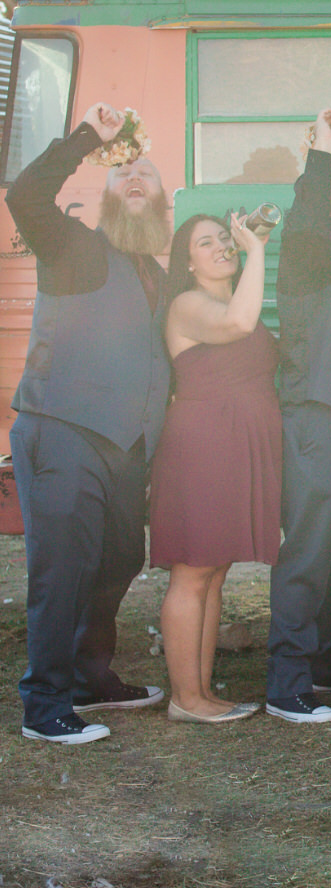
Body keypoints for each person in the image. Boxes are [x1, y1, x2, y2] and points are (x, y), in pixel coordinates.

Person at [8, 103, 172, 745]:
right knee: (63, 569)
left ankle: (85, 674)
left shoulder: (154, 272)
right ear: (103, 194)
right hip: (63, 432)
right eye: (122, 172)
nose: (135, 178)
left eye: (147, 176)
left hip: (126, 451)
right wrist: (88, 139)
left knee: (121, 556)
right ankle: (44, 706)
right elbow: (26, 194)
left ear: (162, 203)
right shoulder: (74, 245)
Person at [152, 213, 281, 724]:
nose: (222, 246)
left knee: (214, 570)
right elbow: (239, 326)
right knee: (193, 569)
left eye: (224, 237)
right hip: (205, 444)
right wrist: (258, 253)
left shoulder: (231, 297)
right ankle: (186, 698)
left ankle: (200, 693)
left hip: (238, 442)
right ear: (187, 261)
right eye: (207, 242)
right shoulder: (189, 304)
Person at [266, 108, 331, 725]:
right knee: (307, 548)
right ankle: (287, 684)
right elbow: (305, 212)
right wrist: (322, 154)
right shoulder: (309, 240)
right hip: (317, 409)